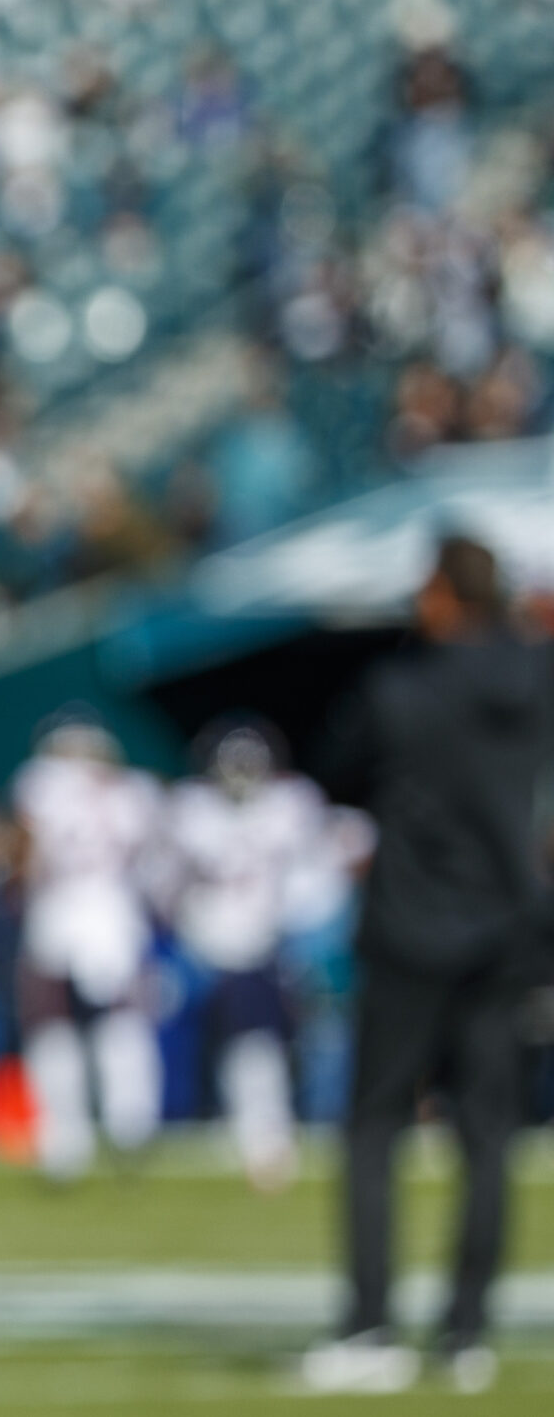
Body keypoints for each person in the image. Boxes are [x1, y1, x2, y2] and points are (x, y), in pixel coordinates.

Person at [302, 537, 552, 1397]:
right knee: (488, 1134)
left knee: (375, 1125)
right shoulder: (538, 676)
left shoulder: (402, 687)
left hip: (411, 927)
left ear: (445, 594)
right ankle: (466, 1330)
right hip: (510, 927)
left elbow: (337, 768)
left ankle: (370, 1324)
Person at [154, 719, 353, 1194]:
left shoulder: (291, 805)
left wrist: (297, 934)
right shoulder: (192, 810)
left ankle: (262, 1129)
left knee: (259, 1042)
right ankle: (206, 1119)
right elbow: (162, 878)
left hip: (263, 942)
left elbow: (318, 882)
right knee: (186, 1040)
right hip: (199, 943)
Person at [11, 714, 165, 1182]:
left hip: (58, 914)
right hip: (114, 918)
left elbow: (27, 854)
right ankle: (130, 1123)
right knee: (121, 1025)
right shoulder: (135, 792)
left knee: (52, 1028)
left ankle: (65, 1141)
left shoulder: (40, 784)